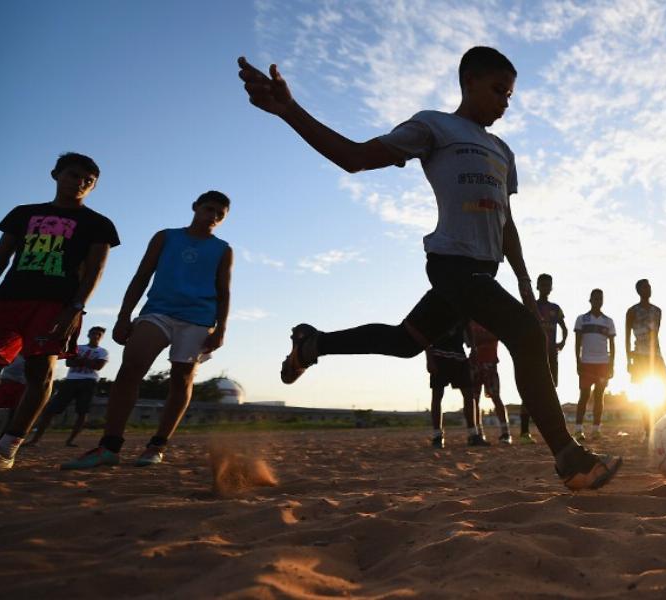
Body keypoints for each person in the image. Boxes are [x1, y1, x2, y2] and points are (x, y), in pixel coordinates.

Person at [237, 47, 619, 489]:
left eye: (510, 96)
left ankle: (312, 345)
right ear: (469, 81)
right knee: (526, 334)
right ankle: (570, 458)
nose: (504, 103)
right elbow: (354, 157)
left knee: (405, 342)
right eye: (498, 90)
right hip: (451, 265)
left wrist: (524, 281)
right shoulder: (434, 126)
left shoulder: (502, 151)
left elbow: (505, 223)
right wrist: (289, 110)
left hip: (481, 273)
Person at [63, 191, 233, 469]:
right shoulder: (166, 236)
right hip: (158, 312)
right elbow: (142, 275)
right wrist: (123, 316)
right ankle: (110, 446)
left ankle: (157, 445)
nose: (212, 216)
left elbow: (223, 291)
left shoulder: (223, 249)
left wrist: (221, 328)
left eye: (219, 214)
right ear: (195, 207)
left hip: (199, 319)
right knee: (131, 367)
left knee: (181, 379)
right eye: (209, 209)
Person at [0, 152, 119, 470]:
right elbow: (2, 257)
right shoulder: (23, 214)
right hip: (8, 299)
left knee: (41, 373)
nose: (79, 182)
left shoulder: (98, 224)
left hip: (55, 305)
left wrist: (76, 309)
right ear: (56, 175)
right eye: (73, 175)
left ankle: (8, 446)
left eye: (88, 181)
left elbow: (94, 272)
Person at [27, 326, 109, 447]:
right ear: (88, 334)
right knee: (51, 410)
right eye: (94, 333)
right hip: (71, 381)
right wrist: (88, 362)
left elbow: (98, 366)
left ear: (101, 337)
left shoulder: (103, 352)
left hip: (89, 382)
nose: (96, 336)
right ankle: (35, 439)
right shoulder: (78, 347)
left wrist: (79, 360)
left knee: (82, 412)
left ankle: (71, 440)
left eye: (99, 334)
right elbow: (69, 362)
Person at [625, 279, 666, 441]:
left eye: (649, 286)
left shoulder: (657, 311)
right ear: (639, 291)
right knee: (644, 393)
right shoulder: (632, 311)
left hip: (656, 356)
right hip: (639, 356)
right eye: (645, 287)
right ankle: (648, 430)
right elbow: (626, 336)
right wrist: (628, 360)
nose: (648, 289)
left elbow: (656, 333)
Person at [525, 272, 567, 444]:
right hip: (534, 354)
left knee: (551, 390)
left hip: (551, 353)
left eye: (548, 284)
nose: (545, 287)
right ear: (537, 286)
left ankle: (552, 431)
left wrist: (562, 342)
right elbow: (523, 327)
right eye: (542, 284)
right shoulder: (531, 305)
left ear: (551, 287)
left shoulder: (555, 308)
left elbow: (564, 327)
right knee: (529, 390)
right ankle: (523, 431)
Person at [574, 289, 616, 441]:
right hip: (586, 362)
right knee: (584, 395)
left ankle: (596, 429)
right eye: (595, 298)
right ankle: (578, 430)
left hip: (603, 364)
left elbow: (612, 345)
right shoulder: (581, 319)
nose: (598, 301)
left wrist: (612, 365)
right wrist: (577, 361)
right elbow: (577, 343)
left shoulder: (608, 321)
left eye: (600, 298)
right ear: (590, 300)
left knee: (599, 396)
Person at [425, 323, 473, 449]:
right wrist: (429, 360)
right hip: (439, 357)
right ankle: (437, 436)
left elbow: (469, 340)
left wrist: (474, 351)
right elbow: (427, 338)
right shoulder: (435, 313)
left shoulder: (463, 315)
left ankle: (473, 434)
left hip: (459, 358)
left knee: (469, 394)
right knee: (437, 395)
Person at [465, 320, 510, 445]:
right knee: (474, 399)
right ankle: (478, 433)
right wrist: (482, 338)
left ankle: (505, 432)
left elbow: (496, 335)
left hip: (490, 362)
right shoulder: (470, 322)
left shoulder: (491, 319)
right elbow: (468, 342)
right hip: (474, 363)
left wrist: (478, 339)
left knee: (496, 396)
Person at [0, 355, 27, 433]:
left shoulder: (32, 355)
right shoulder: (13, 350)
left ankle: (3, 437)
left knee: (14, 413)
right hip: (7, 382)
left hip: (21, 385)